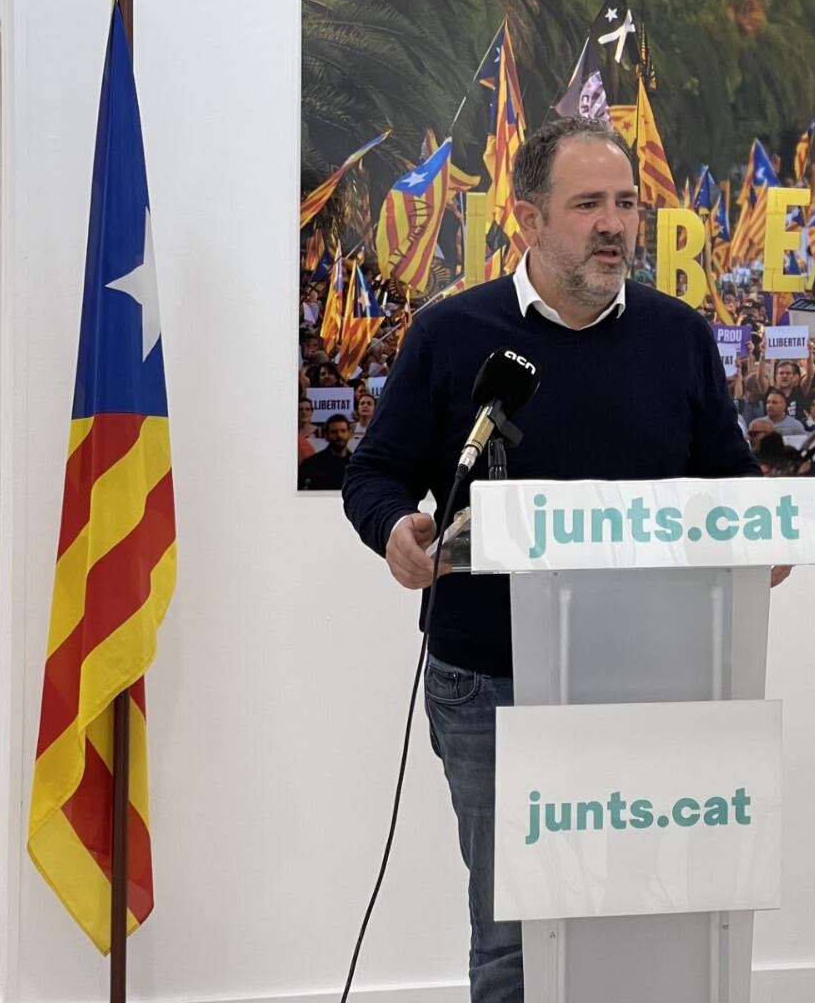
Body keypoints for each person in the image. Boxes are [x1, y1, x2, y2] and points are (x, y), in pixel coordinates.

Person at [341, 116, 785, 1002]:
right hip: (491, 678)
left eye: (625, 202)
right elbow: (376, 472)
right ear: (528, 219)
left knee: (647, 909)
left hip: (654, 677)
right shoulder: (451, 332)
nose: (614, 224)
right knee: (514, 932)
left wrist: (766, 534)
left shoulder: (679, 337)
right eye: (588, 204)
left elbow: (732, 483)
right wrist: (395, 529)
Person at [298, 413, 354, 490]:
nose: (339, 435)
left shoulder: (357, 465)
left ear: (350, 434)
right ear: (326, 435)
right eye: (334, 432)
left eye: (343, 431)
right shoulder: (311, 465)